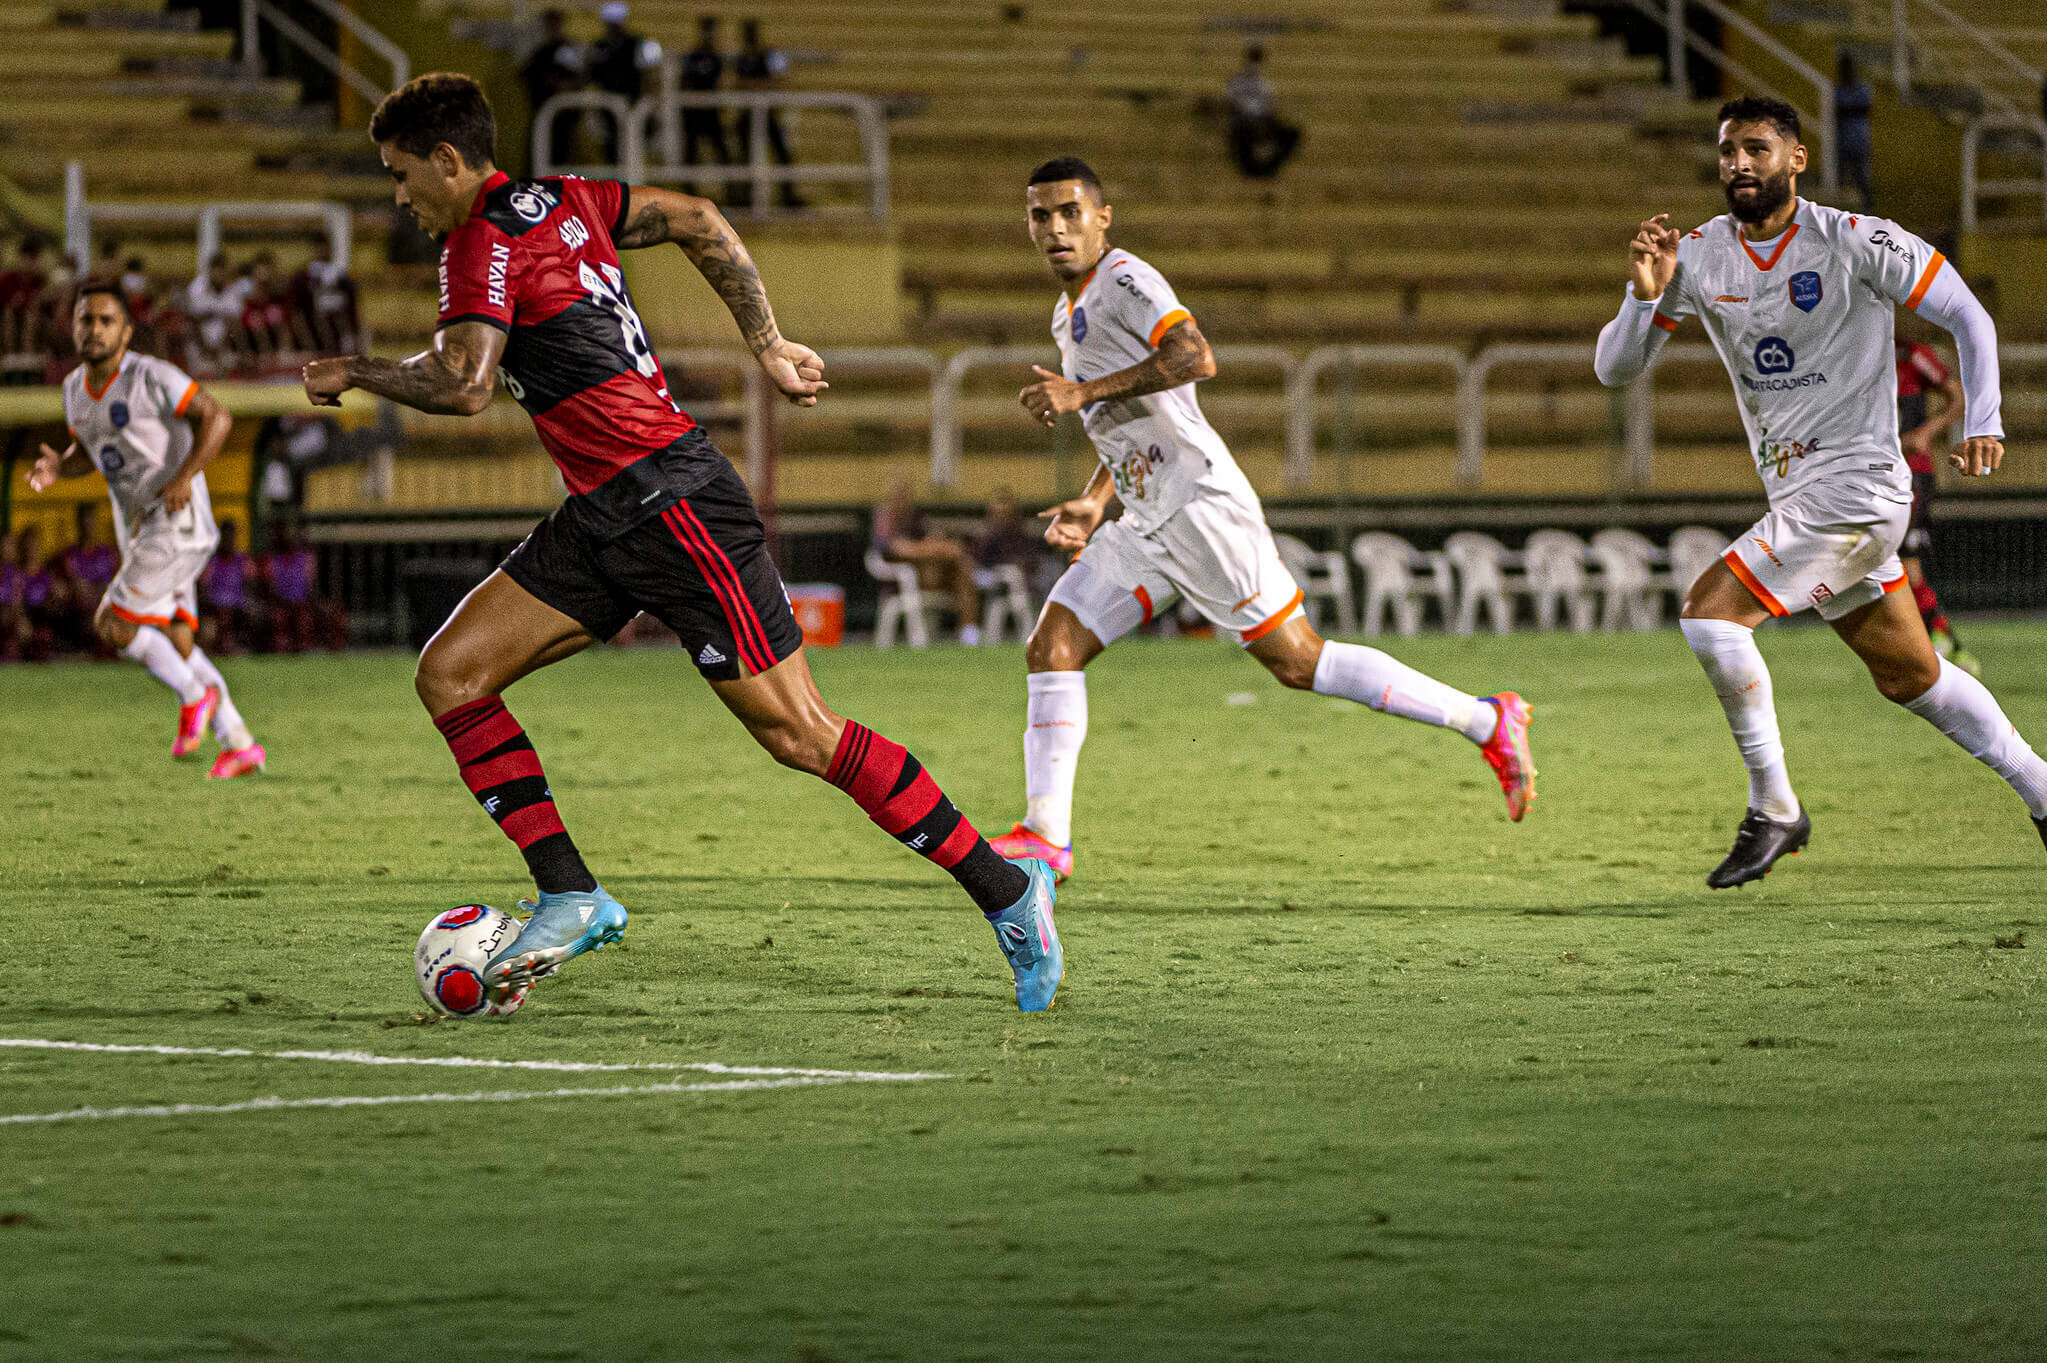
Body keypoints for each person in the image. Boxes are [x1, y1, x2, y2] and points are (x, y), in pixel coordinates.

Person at [301, 73, 1061, 1010]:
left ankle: (1010, 890)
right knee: (450, 672)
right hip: (603, 513)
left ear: (448, 161)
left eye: (401, 173)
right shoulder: (572, 199)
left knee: (801, 733)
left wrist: (356, 372)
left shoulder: (477, 241)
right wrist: (769, 343)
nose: (399, 195)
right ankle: (571, 893)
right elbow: (698, 216)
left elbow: (463, 384)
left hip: (675, 505)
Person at [986, 159, 1535, 882]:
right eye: (1040, 216)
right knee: (1052, 646)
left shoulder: (1124, 279)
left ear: (1102, 217)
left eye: (1069, 212)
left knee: (1297, 661)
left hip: (1200, 507)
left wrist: (1081, 388)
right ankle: (1045, 835)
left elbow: (1192, 356)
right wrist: (1095, 499)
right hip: (1146, 517)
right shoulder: (1067, 312)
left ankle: (1487, 720)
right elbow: (1131, 419)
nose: (1055, 228)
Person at [1593, 95, 2047, 887]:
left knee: (1709, 617)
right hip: (1801, 498)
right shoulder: (1696, 255)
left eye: (1757, 149)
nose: (1739, 162)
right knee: (1912, 677)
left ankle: (1773, 807)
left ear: (1795, 160)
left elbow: (1966, 316)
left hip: (1858, 489)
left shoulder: (1851, 240)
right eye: (1728, 150)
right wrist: (1643, 294)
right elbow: (1614, 370)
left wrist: (1985, 418)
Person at [26, 282, 267, 776]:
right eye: (85, 320)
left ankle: (194, 696)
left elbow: (217, 416)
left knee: (113, 624)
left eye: (105, 320)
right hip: (142, 529)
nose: (94, 329)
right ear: (72, 329)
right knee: (177, 641)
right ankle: (239, 741)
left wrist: (185, 477)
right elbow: (88, 455)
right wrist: (59, 468)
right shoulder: (75, 389)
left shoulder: (152, 376)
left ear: (126, 331)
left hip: (177, 523)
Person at [1894, 328, 1978, 675]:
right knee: (1901, 564)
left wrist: (1926, 433)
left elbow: (1957, 398)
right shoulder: (1856, 354)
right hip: (1874, 475)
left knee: (1904, 562)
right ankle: (1941, 639)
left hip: (1912, 475)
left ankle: (1938, 642)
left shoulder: (1911, 356)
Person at [874, 478, 981, 644]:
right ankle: (968, 631)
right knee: (948, 564)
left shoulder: (914, 517)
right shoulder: (886, 518)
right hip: (901, 579)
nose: (902, 499)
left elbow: (934, 541)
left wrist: (935, 546)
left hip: (933, 572)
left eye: (905, 494)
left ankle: (969, 633)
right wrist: (927, 549)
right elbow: (896, 548)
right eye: (898, 495)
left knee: (962, 569)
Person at [733, 18, 802, 210]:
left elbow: (780, 80)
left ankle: (788, 195)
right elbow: (736, 83)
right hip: (748, 114)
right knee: (744, 157)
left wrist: (753, 85)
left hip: (769, 114)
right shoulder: (743, 57)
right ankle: (744, 198)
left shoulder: (770, 54)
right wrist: (759, 85)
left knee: (782, 155)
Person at [588, 1, 662, 163]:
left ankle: (630, 186)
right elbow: (590, 75)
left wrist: (650, 104)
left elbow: (651, 75)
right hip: (607, 106)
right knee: (611, 152)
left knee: (632, 150)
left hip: (632, 104)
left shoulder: (638, 42)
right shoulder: (599, 46)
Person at [520, 8, 584, 171]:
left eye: (555, 23)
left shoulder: (566, 49)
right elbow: (526, 76)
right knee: (538, 158)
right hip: (541, 112)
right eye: (549, 23)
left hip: (563, 116)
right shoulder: (539, 51)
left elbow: (577, 79)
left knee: (562, 159)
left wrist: (560, 86)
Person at [1225, 46, 1300, 179]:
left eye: (1257, 60)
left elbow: (1269, 107)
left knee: (1292, 134)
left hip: (1262, 121)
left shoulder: (1264, 84)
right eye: (1253, 59)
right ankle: (1250, 170)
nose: (1254, 65)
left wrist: (1267, 122)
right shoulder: (1236, 81)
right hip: (1244, 123)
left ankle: (1270, 167)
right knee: (1243, 132)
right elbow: (1233, 105)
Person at [680, 15, 732, 197]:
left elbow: (721, 83)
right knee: (691, 154)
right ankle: (688, 191)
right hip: (694, 112)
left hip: (711, 112)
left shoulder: (717, 57)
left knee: (722, 152)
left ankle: (733, 191)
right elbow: (684, 82)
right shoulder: (692, 56)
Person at [198, 519, 256, 654]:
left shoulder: (242, 560)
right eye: (225, 536)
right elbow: (204, 589)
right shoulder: (211, 561)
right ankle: (222, 648)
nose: (228, 540)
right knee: (221, 618)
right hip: (215, 608)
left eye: (231, 536)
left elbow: (251, 586)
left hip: (238, 608)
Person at [1834, 55, 1874, 212]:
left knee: (1862, 178)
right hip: (1844, 139)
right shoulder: (1838, 91)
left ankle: (1868, 212)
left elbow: (1863, 109)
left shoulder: (1861, 90)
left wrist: (1845, 109)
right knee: (1841, 178)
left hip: (1858, 139)